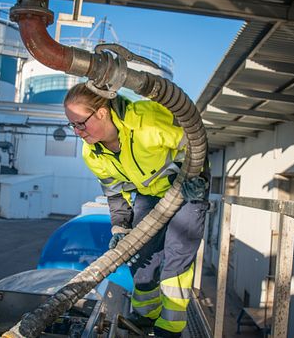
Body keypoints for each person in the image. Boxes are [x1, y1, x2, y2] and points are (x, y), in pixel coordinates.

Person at [64, 83, 209, 338]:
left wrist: (199, 180)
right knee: (141, 255)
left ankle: (170, 327)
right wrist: (120, 228)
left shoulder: (146, 120)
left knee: (176, 254)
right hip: (150, 193)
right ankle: (145, 316)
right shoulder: (92, 153)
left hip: (187, 187)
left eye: (80, 123)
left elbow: (195, 144)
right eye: (72, 125)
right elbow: (114, 193)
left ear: (101, 112)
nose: (77, 132)